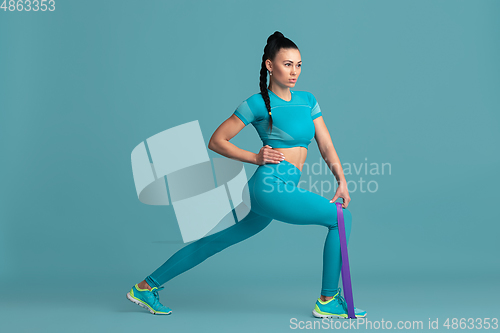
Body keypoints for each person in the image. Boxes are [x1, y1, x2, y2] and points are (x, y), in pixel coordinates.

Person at [126, 31, 366, 318]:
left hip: (279, 187)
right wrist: (255, 157)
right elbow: (216, 141)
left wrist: (342, 181)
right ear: (269, 65)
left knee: (216, 240)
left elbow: (326, 145)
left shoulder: (308, 100)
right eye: (287, 64)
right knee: (341, 218)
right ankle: (328, 300)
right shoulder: (257, 104)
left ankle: (145, 286)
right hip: (270, 186)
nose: (294, 71)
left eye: (299, 64)